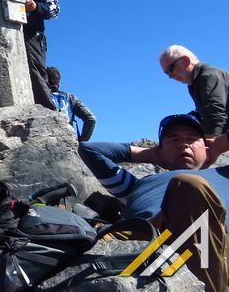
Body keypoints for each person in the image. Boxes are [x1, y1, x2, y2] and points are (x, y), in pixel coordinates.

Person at [78, 114, 228, 292]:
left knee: (188, 186)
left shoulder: (224, 174)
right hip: (142, 239)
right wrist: (152, 154)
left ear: (207, 149)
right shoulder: (137, 184)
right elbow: (89, 150)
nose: (183, 144)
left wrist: (220, 144)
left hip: (207, 243)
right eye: (173, 139)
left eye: (192, 138)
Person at [159, 45, 229, 138]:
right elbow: (206, 113)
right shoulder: (195, 82)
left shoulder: (208, 76)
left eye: (171, 69)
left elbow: (215, 113)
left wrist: (209, 146)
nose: (170, 76)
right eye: (167, 73)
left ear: (185, 61)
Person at [45, 66, 96, 141]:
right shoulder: (70, 98)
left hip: (47, 140)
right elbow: (91, 119)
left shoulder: (39, 96)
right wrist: (81, 143)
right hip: (69, 142)